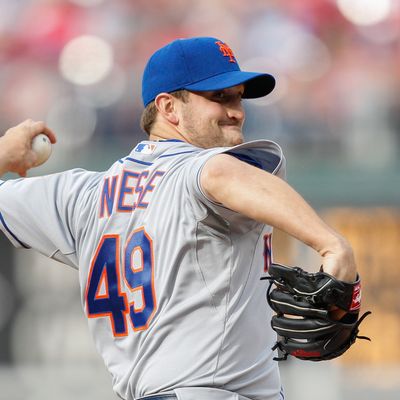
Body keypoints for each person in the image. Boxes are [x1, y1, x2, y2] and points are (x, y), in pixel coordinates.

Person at [0, 37, 358, 400]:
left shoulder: (82, 195)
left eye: (237, 97)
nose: (237, 111)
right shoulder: (201, 169)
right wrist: (332, 244)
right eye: (219, 97)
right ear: (169, 107)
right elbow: (219, 174)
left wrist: (2, 154)